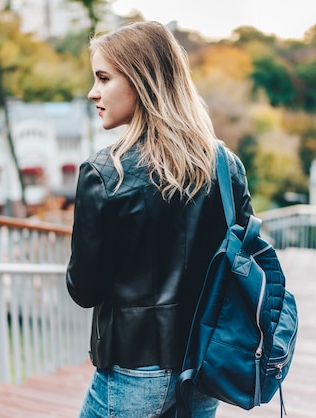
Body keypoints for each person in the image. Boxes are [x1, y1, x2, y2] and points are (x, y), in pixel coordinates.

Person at [66, 20, 253, 417]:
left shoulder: (104, 173)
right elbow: (244, 259)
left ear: (141, 80)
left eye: (103, 78)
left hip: (134, 366)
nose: (92, 92)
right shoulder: (224, 165)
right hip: (204, 361)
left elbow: (83, 289)